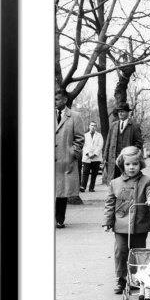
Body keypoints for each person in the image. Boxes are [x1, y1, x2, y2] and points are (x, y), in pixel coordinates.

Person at [102, 146, 150, 300]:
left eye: (135, 164)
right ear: (122, 165)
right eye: (128, 164)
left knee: (138, 253)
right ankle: (121, 278)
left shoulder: (146, 181)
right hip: (121, 225)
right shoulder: (115, 183)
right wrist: (107, 221)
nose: (131, 167)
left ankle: (137, 279)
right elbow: (109, 203)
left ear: (140, 164)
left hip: (140, 225)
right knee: (121, 251)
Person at [55, 88, 85, 229]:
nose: (54, 102)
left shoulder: (74, 116)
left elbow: (79, 138)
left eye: (56, 99)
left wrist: (73, 152)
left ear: (65, 100)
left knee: (62, 192)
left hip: (65, 159)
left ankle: (60, 219)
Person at [103, 102, 143, 185]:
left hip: (127, 160)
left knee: (127, 181)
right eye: (119, 111)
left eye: (123, 111)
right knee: (114, 182)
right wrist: (105, 157)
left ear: (128, 113)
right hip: (113, 160)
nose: (120, 113)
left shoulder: (134, 126)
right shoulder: (113, 126)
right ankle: (113, 197)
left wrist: (131, 154)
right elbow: (108, 142)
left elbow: (139, 143)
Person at [80, 121, 104, 192]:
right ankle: (83, 187)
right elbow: (83, 145)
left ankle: (91, 188)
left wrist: (94, 154)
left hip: (96, 157)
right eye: (91, 125)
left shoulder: (99, 135)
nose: (93, 127)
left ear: (96, 127)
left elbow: (100, 145)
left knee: (94, 173)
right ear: (89, 126)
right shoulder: (85, 135)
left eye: (94, 125)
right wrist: (88, 154)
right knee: (85, 173)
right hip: (87, 157)